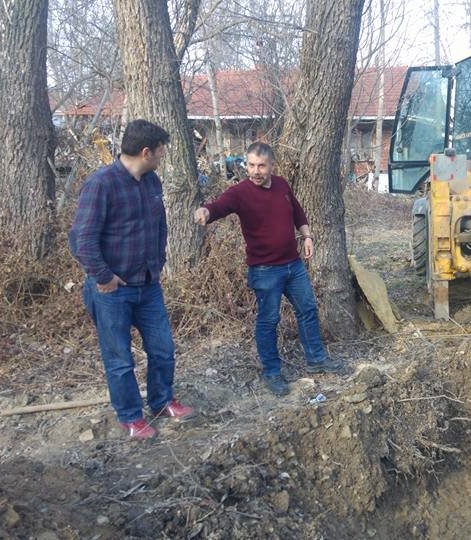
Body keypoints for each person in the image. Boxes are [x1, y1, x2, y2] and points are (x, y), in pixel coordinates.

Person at [69, 119, 196, 440]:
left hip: (148, 285)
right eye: (160, 152)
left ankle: (162, 401)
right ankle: (130, 418)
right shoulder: (101, 184)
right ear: (145, 151)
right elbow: (82, 239)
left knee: (163, 349)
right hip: (112, 291)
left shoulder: (152, 182)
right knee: (120, 360)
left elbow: (160, 227)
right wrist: (104, 276)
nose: (162, 157)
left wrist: (159, 263)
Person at [193, 142, 348, 396]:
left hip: (293, 265)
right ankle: (272, 373)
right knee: (268, 321)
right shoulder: (240, 192)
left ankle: (317, 359)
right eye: (251, 165)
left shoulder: (282, 186)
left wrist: (307, 236)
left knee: (307, 309)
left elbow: (297, 212)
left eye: (261, 166)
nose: (255, 171)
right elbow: (219, 205)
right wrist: (205, 211)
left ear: (271, 166)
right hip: (265, 271)